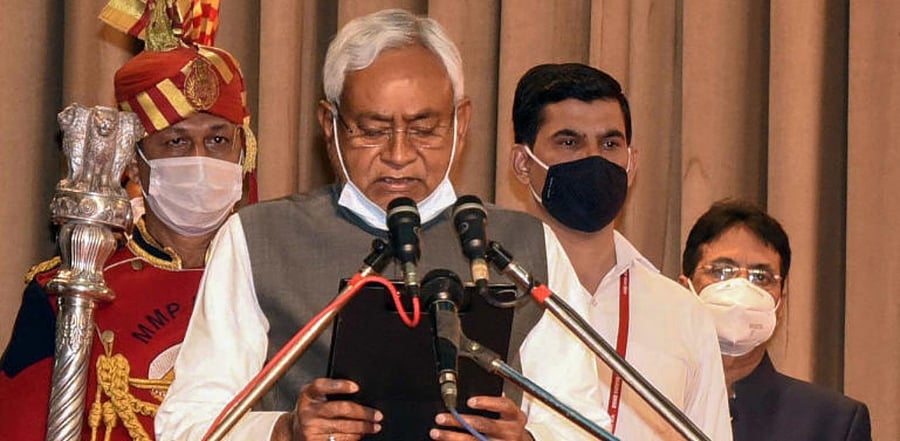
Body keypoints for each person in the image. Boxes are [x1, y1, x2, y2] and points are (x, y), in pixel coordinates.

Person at [156, 9, 551, 441]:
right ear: (329, 124)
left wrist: (526, 440)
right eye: (372, 130)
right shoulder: (260, 237)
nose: (398, 155)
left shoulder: (523, 246)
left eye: (424, 130)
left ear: (462, 122)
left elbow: (583, 420)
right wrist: (284, 431)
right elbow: (186, 423)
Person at [0, 1, 258, 440]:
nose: (200, 160)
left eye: (218, 140)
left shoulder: (276, 282)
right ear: (134, 164)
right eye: (176, 142)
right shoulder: (65, 291)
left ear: (244, 152)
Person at [508, 63, 733, 440]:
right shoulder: (491, 295)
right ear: (522, 162)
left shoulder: (681, 313)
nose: (593, 158)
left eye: (610, 144)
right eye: (569, 142)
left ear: (632, 163)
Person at [679, 199, 872, 440]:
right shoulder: (645, 401)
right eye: (722, 271)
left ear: (780, 303)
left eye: (761, 277)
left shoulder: (832, 423)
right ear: (683, 290)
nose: (742, 287)